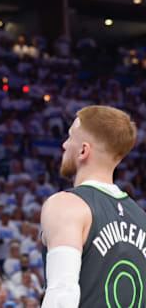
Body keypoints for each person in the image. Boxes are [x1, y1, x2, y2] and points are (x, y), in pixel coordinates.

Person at [41, 106, 146, 307]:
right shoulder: (142, 218)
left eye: (70, 137)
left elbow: (62, 295)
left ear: (83, 150)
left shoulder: (67, 205)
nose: (64, 144)